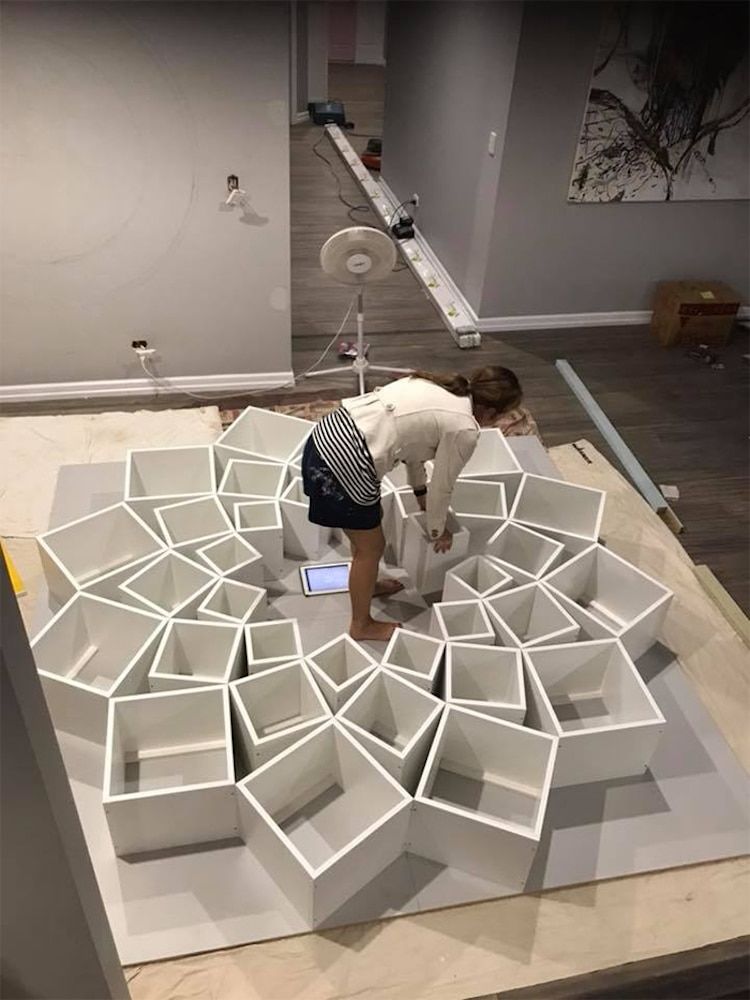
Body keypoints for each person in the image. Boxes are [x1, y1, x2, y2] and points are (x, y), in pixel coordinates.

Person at [301, 366, 523, 641]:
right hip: (344, 464)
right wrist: (437, 530)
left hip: (325, 438)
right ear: (490, 412)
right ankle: (361, 624)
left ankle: (367, 584)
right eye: (500, 417)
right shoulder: (464, 428)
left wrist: (419, 493)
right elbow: (443, 485)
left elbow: (413, 448)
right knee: (371, 547)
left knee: (367, 528)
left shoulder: (443, 384)